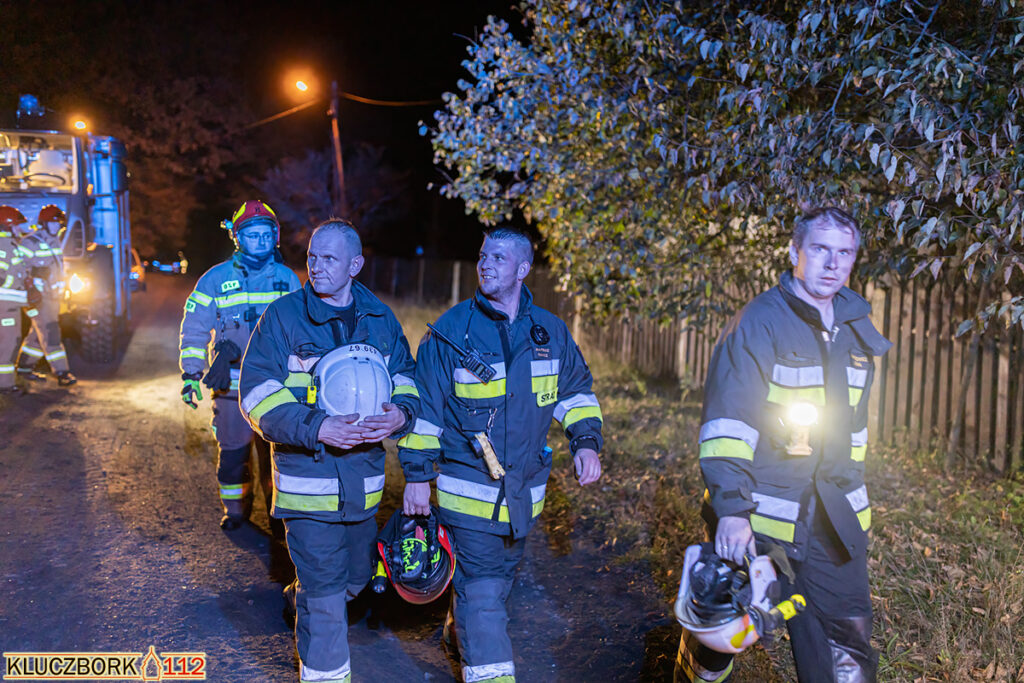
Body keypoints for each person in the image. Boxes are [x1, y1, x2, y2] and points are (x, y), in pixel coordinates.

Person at [676, 207, 891, 683]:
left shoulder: (857, 331)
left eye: (844, 253)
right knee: (728, 629)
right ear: (795, 252)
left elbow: (855, 436)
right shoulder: (760, 322)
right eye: (820, 249)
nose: (832, 263)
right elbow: (728, 423)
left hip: (833, 519)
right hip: (764, 515)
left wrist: (854, 511)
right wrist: (732, 509)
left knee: (847, 642)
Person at [399, 226, 603, 683]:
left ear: (523, 269)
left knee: (498, 582)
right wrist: (416, 476)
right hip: (467, 492)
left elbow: (575, 394)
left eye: (498, 258)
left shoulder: (549, 331)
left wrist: (586, 443)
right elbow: (425, 412)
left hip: (522, 497)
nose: (485, 264)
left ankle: (459, 630)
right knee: (485, 590)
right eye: (482, 256)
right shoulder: (451, 332)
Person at [239, 218, 419, 683]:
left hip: (363, 487)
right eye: (312, 257)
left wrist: (402, 414)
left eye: (329, 259)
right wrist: (317, 427)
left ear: (355, 265)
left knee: (356, 579)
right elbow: (256, 394)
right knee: (325, 597)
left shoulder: (380, 319)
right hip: (307, 485)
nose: (316, 267)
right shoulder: (282, 318)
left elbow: (406, 378)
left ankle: (301, 595)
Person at [178, 200, 300, 530]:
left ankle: (279, 517)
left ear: (275, 237)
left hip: (277, 386)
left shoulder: (288, 280)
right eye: (252, 234)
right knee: (233, 455)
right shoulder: (214, 280)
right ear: (237, 237)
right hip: (231, 387)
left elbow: (302, 333)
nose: (260, 241)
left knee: (278, 457)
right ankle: (235, 511)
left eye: (266, 234)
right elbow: (195, 329)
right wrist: (191, 373)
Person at [15, 204, 76, 386]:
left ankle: (24, 368)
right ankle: (62, 372)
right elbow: (17, 267)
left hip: (52, 298)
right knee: (51, 332)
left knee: (38, 334)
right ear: (44, 223)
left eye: (59, 224)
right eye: (54, 223)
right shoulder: (30, 242)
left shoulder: (54, 242)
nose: (57, 227)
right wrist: (34, 271)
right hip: (37, 298)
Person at [0, 206, 30, 394]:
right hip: (5, 307)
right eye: (17, 226)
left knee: (10, 343)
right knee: (8, 344)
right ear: (7, 226)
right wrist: (17, 284)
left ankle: (6, 383)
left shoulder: (10, 245)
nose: (20, 229)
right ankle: (5, 385)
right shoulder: (3, 247)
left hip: (10, 306)